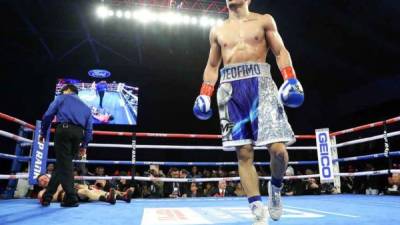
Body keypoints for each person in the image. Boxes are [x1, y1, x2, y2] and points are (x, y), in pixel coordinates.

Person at [192, 0, 304, 223]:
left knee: (279, 151)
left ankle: (275, 186)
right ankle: (256, 208)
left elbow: (280, 51)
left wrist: (290, 78)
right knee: (243, 153)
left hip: (261, 85)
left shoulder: (264, 20)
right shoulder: (217, 30)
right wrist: (205, 92)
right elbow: (213, 66)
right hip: (231, 89)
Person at [39, 84, 93, 207]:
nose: (61, 92)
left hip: (64, 131)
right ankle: (47, 197)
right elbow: (89, 129)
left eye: (62, 90)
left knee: (65, 164)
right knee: (63, 165)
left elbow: (48, 115)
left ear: (68, 90)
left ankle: (71, 197)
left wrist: (43, 132)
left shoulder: (62, 98)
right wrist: (84, 145)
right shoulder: (86, 107)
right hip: (78, 134)